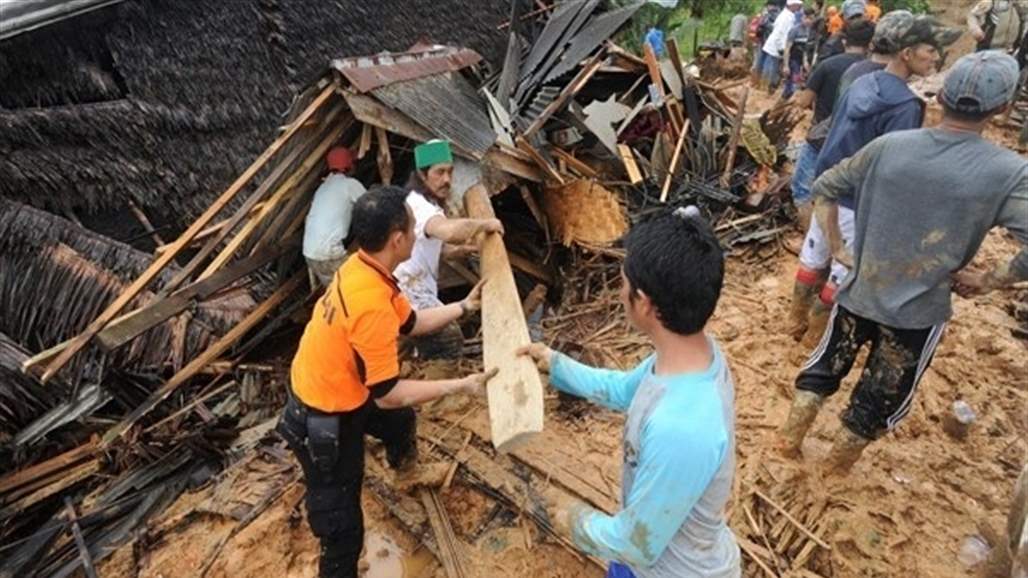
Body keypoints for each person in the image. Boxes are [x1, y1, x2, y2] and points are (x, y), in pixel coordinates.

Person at [778, 50, 1028, 472]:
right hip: (918, 310)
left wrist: (840, 248)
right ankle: (836, 470)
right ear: (1002, 108)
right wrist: (988, 280)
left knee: (823, 369)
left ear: (940, 96)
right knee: (879, 394)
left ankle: (787, 445)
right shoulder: (1008, 172)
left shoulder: (889, 147)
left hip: (859, 289)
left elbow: (825, 186)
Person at [278, 185, 498, 578]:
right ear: (398, 240)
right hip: (322, 415)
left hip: (345, 386)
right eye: (413, 230)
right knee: (342, 531)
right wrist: (461, 385)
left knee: (400, 424)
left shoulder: (364, 268)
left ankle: (405, 472)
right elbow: (389, 394)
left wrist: (463, 306)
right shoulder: (370, 305)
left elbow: (411, 322)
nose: (417, 236)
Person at [519, 207, 741, 578]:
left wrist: (573, 519)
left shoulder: (682, 429)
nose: (620, 292)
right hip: (647, 554)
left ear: (645, 303)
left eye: (623, 284)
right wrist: (556, 364)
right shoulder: (690, 355)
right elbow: (624, 390)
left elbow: (634, 543)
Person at [788, 11, 960, 346]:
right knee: (842, 269)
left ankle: (794, 321)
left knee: (815, 252)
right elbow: (893, 168)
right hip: (859, 200)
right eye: (930, 50)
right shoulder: (906, 106)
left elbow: (833, 129)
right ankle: (812, 339)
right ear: (906, 53)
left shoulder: (861, 81)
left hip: (828, 187)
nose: (935, 58)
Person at [394, 139, 503, 359]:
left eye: (450, 172)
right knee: (449, 340)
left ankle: (409, 367)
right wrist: (485, 224)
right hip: (411, 294)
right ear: (423, 175)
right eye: (439, 172)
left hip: (405, 288)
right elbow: (448, 232)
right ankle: (440, 388)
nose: (447, 179)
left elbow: (434, 248)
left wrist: (463, 250)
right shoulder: (421, 207)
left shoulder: (419, 201)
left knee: (407, 344)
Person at [786, 19, 873, 250]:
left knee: (804, 190)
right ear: (870, 43)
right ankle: (838, 246)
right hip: (855, 145)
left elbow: (804, 102)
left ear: (844, 40)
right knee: (841, 197)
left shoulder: (828, 65)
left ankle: (811, 245)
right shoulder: (874, 71)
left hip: (821, 139)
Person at [303, 147, 366, 288]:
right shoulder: (350, 185)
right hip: (329, 256)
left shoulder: (322, 188)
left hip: (310, 255)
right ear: (349, 165)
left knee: (335, 290)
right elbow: (372, 208)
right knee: (358, 286)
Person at [762, 0, 806, 92]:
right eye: (798, 5)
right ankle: (769, 88)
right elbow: (780, 34)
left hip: (778, 46)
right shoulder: (785, 17)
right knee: (774, 70)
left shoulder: (789, 15)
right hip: (777, 47)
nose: (799, 8)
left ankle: (770, 87)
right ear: (792, 5)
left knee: (775, 69)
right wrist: (781, 49)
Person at [783, 7, 817, 99]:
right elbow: (787, 48)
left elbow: (806, 48)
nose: (808, 21)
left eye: (811, 19)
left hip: (801, 59)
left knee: (799, 81)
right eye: (807, 18)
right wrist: (785, 65)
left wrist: (805, 61)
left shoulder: (810, 31)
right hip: (793, 59)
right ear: (802, 17)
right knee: (793, 81)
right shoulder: (795, 30)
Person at [752, 2, 783, 87]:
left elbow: (759, 28)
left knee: (761, 62)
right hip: (772, 44)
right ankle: (764, 84)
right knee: (769, 64)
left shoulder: (767, 15)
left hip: (764, 42)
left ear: (771, 5)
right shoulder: (780, 16)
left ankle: (756, 83)